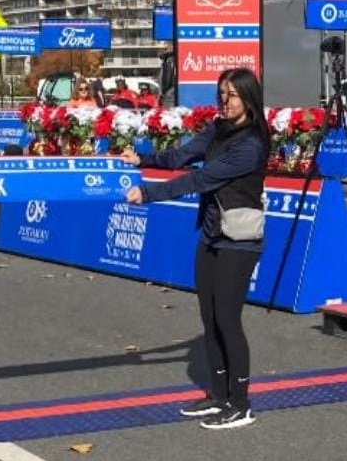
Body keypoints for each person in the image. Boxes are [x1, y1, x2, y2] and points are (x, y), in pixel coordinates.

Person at [121, 67, 269, 430]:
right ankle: (218, 395)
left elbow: (201, 178)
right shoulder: (218, 128)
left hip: (240, 241)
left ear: (248, 98)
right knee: (208, 316)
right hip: (211, 235)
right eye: (222, 92)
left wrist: (150, 194)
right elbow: (183, 156)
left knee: (227, 321)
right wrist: (144, 159)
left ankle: (241, 403)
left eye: (232, 94)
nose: (225, 99)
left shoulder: (251, 144)